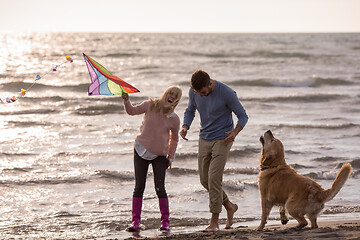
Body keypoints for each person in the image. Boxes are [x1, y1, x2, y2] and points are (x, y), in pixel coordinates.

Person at [180, 70, 248, 232]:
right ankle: (230, 206)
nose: (201, 96)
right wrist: (185, 126)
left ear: (210, 83)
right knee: (205, 180)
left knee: (214, 179)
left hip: (223, 138)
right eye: (198, 93)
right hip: (204, 137)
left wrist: (235, 132)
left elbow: (243, 116)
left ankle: (214, 222)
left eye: (203, 92)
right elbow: (190, 110)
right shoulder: (194, 92)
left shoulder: (227, 93)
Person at [122, 86, 182, 232]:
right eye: (170, 94)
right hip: (140, 149)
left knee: (160, 188)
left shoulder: (174, 119)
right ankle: (135, 222)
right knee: (139, 187)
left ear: (177, 100)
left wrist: (171, 157)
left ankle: (165, 222)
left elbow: (174, 139)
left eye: (175, 96)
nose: (171, 97)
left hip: (160, 156)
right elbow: (132, 111)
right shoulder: (150, 105)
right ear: (165, 94)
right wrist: (126, 100)